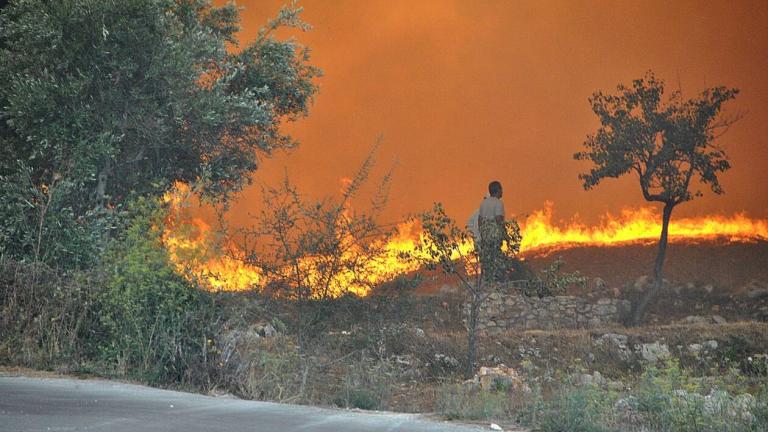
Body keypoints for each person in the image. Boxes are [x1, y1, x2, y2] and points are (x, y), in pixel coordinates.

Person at [477, 181, 507, 281]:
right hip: (494, 235)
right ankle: (495, 281)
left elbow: (480, 220)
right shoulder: (498, 203)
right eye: (501, 189)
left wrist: (482, 233)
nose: (502, 191)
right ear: (498, 190)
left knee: (486, 259)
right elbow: (499, 219)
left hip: (485, 235)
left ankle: (487, 279)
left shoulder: (483, 203)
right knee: (495, 257)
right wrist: (504, 233)